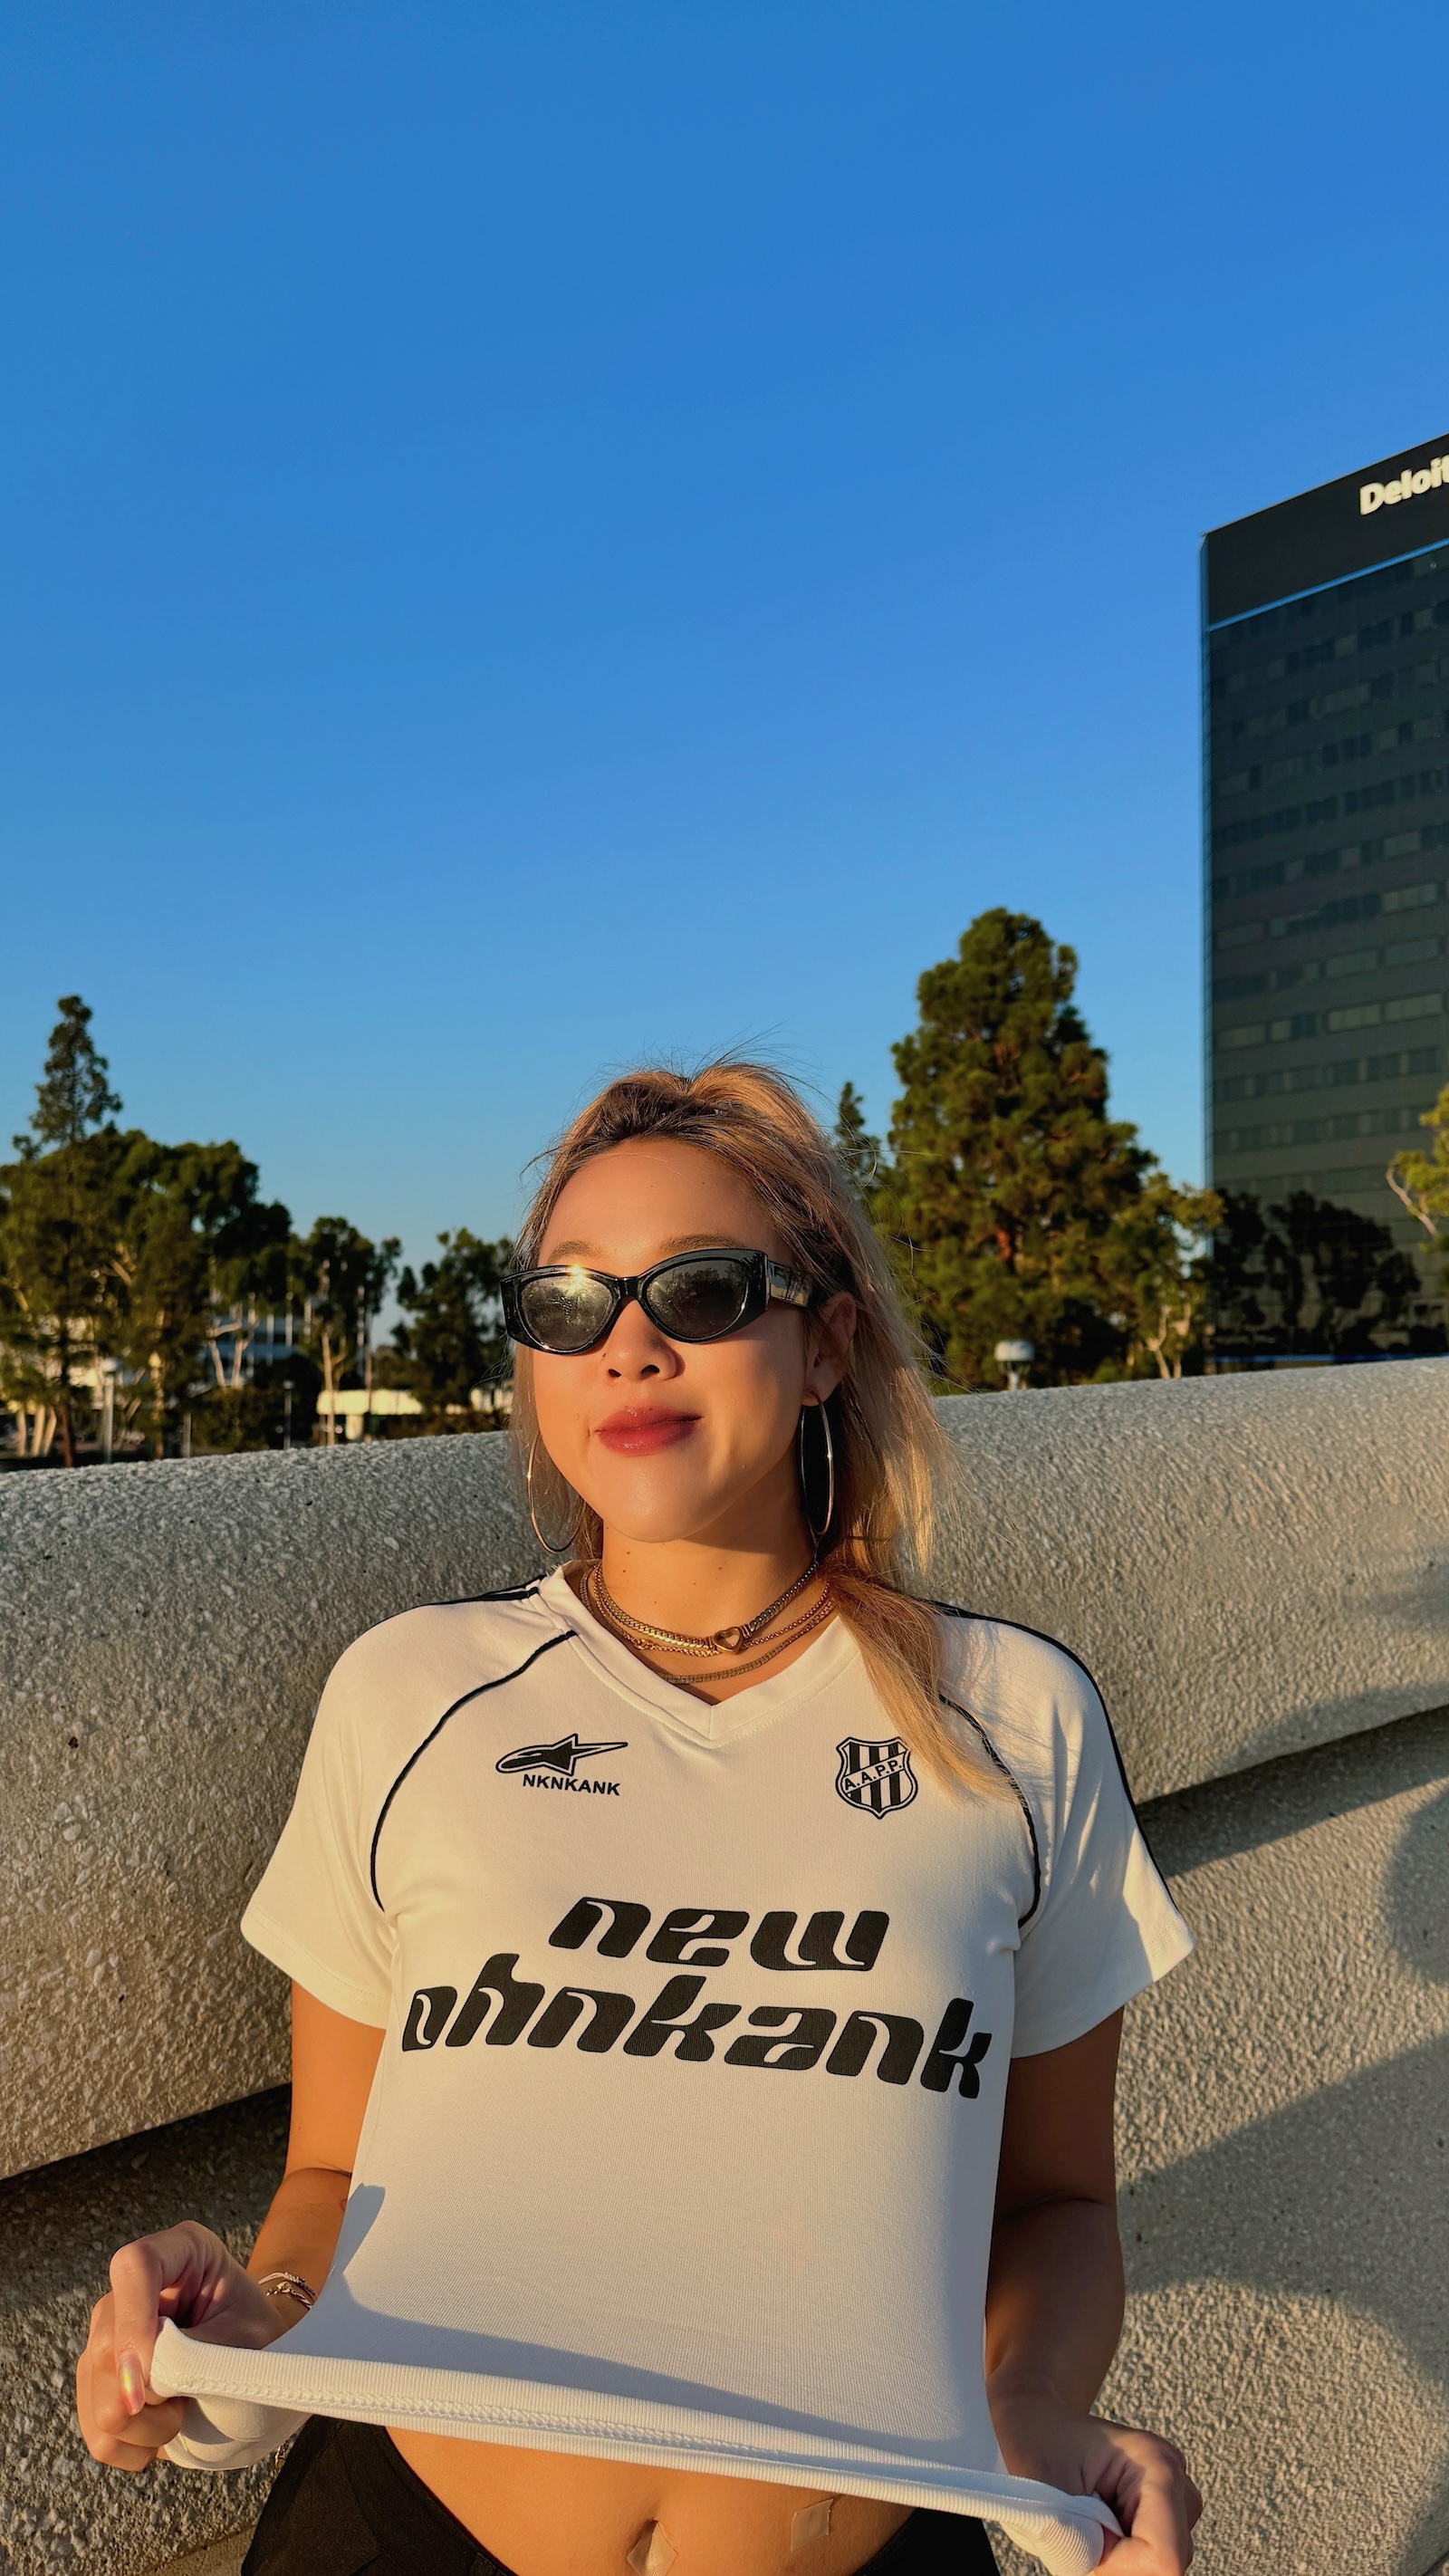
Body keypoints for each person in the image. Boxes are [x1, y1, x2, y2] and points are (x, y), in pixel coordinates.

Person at [77, 1062, 1202, 2576]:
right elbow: (333, 2187)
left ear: (826, 1343)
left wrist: (1032, 2409)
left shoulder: (1012, 1720)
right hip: (395, 2535)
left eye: (703, 1289)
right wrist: (242, 2335)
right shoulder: (408, 1696)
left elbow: (1057, 2205)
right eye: (569, 1302)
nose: (629, 1344)